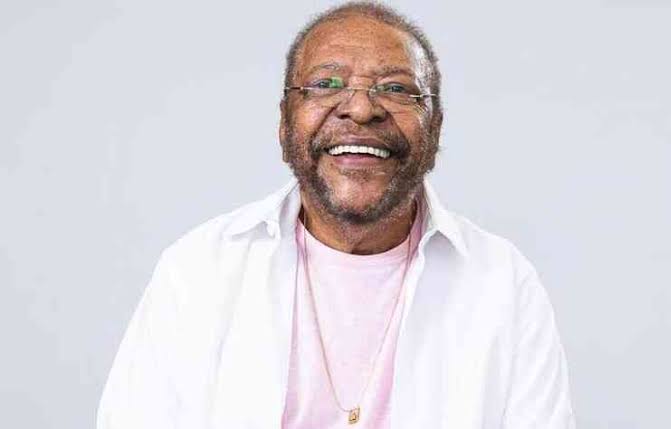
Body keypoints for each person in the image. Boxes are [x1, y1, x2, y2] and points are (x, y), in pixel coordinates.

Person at [97, 2, 575, 428]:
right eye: (326, 84)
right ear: (284, 122)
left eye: (396, 88)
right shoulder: (200, 270)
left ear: (435, 126)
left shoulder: (502, 283)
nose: (361, 109)